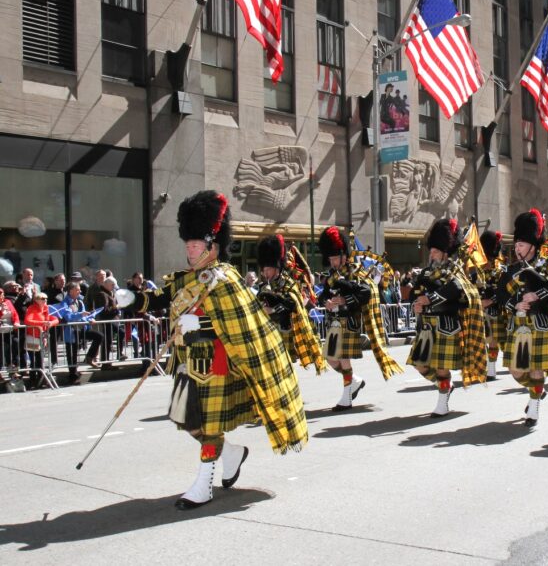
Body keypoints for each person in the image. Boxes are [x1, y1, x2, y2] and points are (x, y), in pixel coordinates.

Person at [116, 190, 307, 510]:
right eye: (187, 245)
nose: (189, 250)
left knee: (209, 426)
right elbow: (162, 297)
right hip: (187, 363)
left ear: (212, 245)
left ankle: (203, 484)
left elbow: (238, 323)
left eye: (194, 245)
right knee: (187, 421)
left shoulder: (226, 278)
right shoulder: (189, 278)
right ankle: (232, 454)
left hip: (216, 363)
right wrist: (134, 299)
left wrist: (200, 325)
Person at [494, 210, 548, 427]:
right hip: (517, 324)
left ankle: (534, 407)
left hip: (540, 324)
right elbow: (500, 295)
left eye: (521, 244)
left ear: (533, 246)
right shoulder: (510, 270)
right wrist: (514, 303)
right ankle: (537, 390)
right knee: (515, 370)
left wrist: (537, 295)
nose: (517, 248)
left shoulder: (547, 266)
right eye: (516, 245)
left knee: (536, 367)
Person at [408, 218, 488, 417]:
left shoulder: (456, 270)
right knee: (420, 365)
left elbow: (457, 288)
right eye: (431, 251)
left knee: (442, 368)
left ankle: (442, 402)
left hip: (447, 325)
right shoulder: (426, 272)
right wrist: (416, 305)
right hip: (426, 326)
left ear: (445, 251)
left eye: (435, 251)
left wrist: (430, 299)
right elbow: (414, 294)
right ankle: (445, 386)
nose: (432, 254)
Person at [318, 226, 402, 411]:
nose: (332, 262)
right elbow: (323, 295)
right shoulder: (331, 275)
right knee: (331, 359)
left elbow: (366, 293)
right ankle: (354, 381)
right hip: (333, 321)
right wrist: (326, 302)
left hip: (349, 321)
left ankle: (346, 397)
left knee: (342, 358)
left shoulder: (355, 272)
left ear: (343, 256)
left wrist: (343, 300)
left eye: (334, 258)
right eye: (330, 258)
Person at [255, 234, 326, 375]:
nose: (265, 273)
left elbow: (292, 304)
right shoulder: (263, 285)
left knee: (283, 368)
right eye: (263, 270)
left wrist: (273, 309)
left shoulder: (287, 282)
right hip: (267, 331)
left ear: (276, 267)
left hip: (284, 330)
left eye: (267, 269)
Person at [476, 230, 507, 381]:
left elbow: (503, 291)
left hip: (495, 308)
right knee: (480, 340)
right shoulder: (476, 268)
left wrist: (491, 301)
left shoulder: (500, 269)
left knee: (493, 341)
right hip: (479, 308)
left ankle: (492, 370)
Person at [58, 281, 92, 384]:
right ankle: (72, 375)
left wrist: (89, 319)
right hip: (70, 331)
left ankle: (76, 371)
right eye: (77, 289)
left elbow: (84, 315)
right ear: (71, 291)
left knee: (98, 337)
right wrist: (80, 315)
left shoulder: (80, 302)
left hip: (80, 329)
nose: (79, 291)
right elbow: (68, 317)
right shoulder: (64, 303)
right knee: (71, 353)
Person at [22, 293, 58, 388]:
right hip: (33, 337)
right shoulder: (32, 308)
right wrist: (43, 323)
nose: (45, 300)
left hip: (42, 337)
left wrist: (51, 323)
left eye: (46, 298)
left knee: (40, 360)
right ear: (36, 300)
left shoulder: (46, 308)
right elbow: (27, 321)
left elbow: (56, 319)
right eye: (42, 298)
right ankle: (32, 380)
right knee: (33, 360)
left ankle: (41, 380)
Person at [1, 285, 21, 379]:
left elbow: (15, 313)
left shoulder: (8, 302)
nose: (1, 295)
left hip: (10, 330)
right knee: (2, 351)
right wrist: (2, 311)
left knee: (14, 346)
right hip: (1, 331)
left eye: (2, 294)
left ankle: (13, 370)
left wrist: (16, 322)